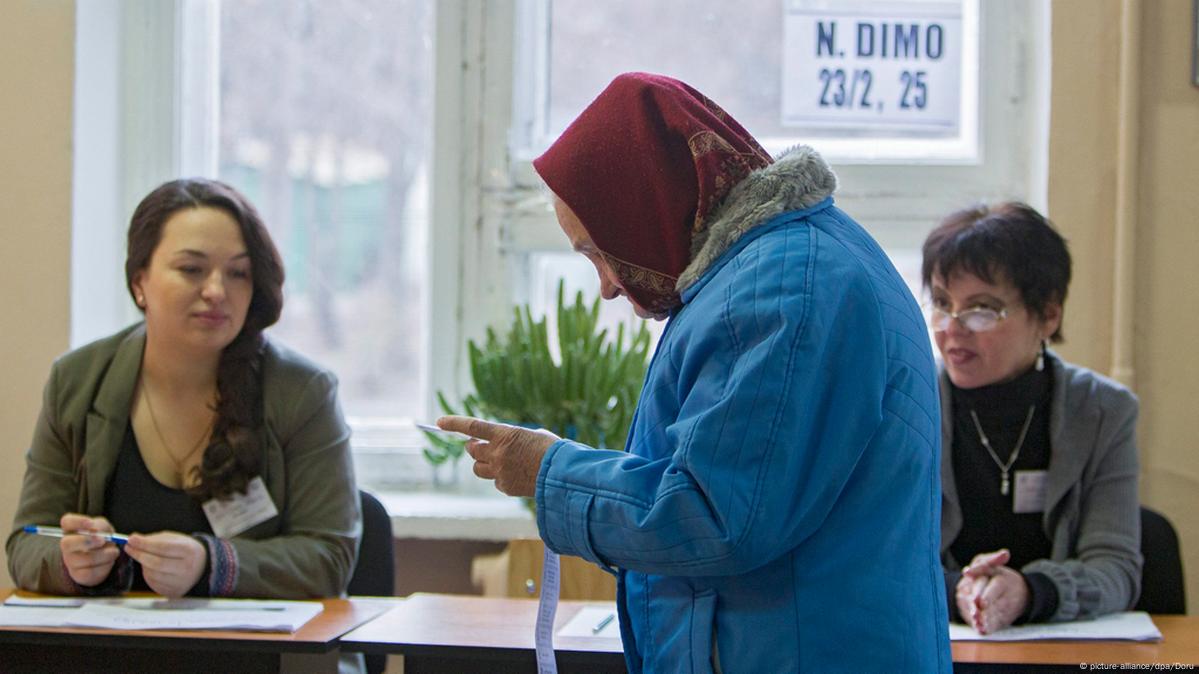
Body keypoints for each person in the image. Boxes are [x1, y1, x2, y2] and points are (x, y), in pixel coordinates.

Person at [439, 72, 950, 672]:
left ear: (644, 207)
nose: (605, 286)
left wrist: (550, 470)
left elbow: (717, 516)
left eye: (599, 252)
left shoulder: (780, 287)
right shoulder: (780, 265)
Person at [7, 178, 360, 601]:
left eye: (238, 273)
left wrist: (210, 564)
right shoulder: (77, 380)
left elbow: (328, 557)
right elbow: (25, 544)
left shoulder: (304, 392)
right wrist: (70, 561)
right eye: (191, 269)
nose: (216, 291)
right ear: (140, 281)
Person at [923, 202, 1141, 634]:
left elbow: (1116, 568)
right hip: (942, 648)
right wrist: (959, 592)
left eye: (981, 308)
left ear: (1048, 315)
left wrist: (1028, 592)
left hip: (1057, 652)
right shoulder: (910, 403)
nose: (952, 327)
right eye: (943, 303)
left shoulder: (1103, 411)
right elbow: (881, 557)